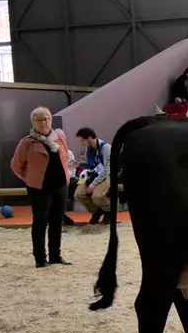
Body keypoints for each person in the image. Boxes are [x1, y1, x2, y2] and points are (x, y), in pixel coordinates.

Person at [11, 107, 71, 268]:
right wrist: (30, 180)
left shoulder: (59, 137)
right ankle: (40, 258)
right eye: (39, 119)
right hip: (39, 188)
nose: (44, 122)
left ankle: (55, 256)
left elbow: (65, 158)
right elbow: (16, 166)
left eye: (47, 118)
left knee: (57, 221)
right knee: (40, 221)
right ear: (33, 122)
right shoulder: (27, 142)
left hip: (60, 185)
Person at [74, 127, 112, 224]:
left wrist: (94, 184)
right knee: (78, 195)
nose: (81, 143)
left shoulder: (106, 148)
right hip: (93, 174)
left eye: (82, 140)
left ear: (90, 138)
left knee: (97, 196)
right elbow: (90, 166)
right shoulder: (88, 150)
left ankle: (109, 211)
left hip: (107, 175)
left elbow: (107, 169)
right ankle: (97, 212)